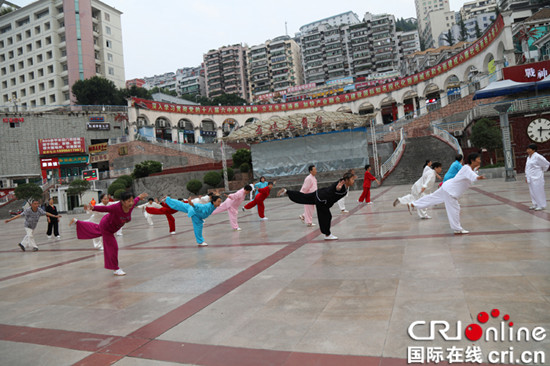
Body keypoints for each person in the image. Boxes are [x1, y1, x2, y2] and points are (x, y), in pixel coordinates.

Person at [70, 191, 147, 276]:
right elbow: (105, 209)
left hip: (111, 227)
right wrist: (93, 207)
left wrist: (139, 197)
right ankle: (116, 269)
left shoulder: (130, 206)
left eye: (131, 200)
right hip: (107, 226)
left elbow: (136, 200)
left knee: (96, 229)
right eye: (129, 201)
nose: (131, 203)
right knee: (113, 247)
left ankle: (77, 222)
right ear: (122, 201)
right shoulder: (116, 207)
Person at [407, 153, 485, 234]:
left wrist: (476, 173)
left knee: (432, 198)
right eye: (478, 159)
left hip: (447, 187)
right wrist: (477, 177)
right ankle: (457, 229)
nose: (480, 160)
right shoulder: (466, 168)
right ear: (472, 160)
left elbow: (470, 175)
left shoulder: (467, 169)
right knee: (454, 209)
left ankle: (413, 204)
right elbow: (471, 175)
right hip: (450, 191)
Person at [277, 172, 356, 240]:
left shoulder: (344, 186)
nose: (353, 181)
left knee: (304, 197)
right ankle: (327, 235)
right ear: (346, 180)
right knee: (326, 216)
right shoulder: (340, 185)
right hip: (322, 200)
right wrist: (337, 189)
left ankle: (287, 191)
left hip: (319, 194)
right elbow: (335, 189)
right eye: (352, 179)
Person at [525, 144, 550, 211]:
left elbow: (546, 164)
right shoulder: (528, 157)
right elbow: (527, 168)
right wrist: (527, 176)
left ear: (533, 150)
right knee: (532, 191)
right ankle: (535, 204)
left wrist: (541, 171)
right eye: (527, 149)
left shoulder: (538, 157)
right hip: (530, 177)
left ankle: (541, 205)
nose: (527, 150)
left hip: (537, 177)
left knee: (538, 191)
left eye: (529, 149)